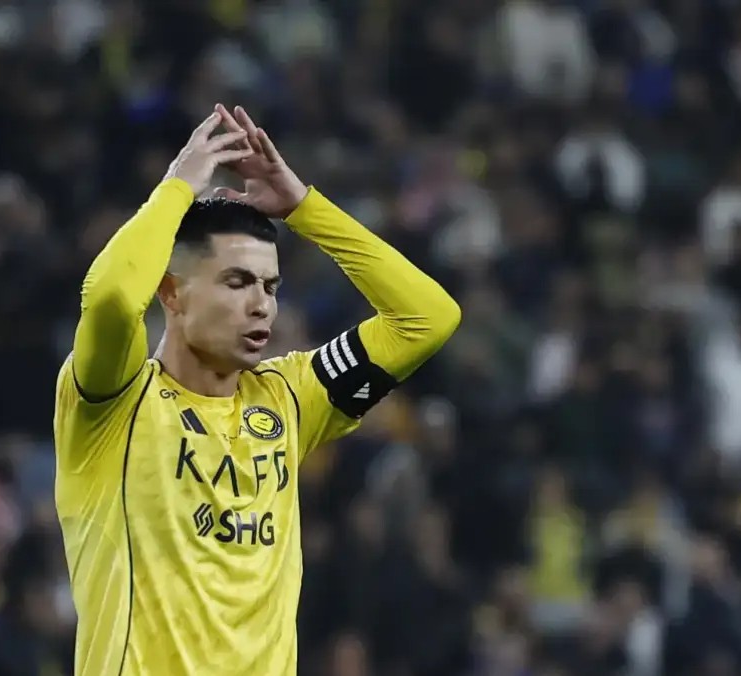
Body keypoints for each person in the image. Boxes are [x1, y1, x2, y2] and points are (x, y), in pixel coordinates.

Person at [53, 103, 462, 675]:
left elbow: (427, 318)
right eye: (237, 281)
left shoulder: (289, 398)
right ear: (171, 292)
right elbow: (114, 297)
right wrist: (176, 190)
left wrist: (304, 209)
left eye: (270, 287)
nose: (262, 306)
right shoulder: (113, 401)